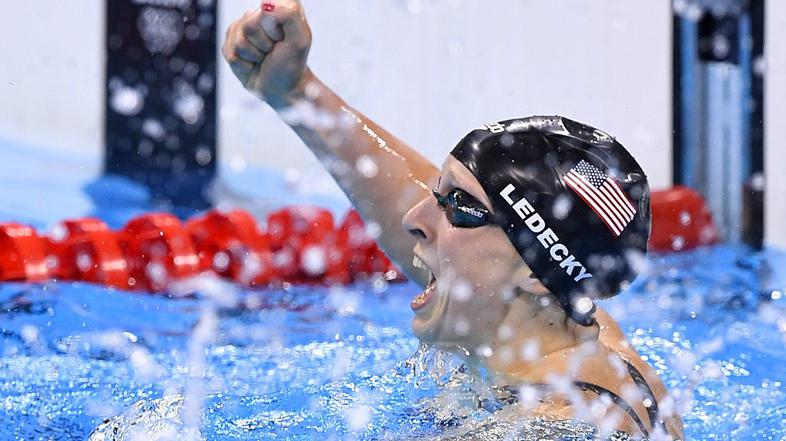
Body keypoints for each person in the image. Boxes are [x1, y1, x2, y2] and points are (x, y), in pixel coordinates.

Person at [222, 2, 685, 439]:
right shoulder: (586, 336)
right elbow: (481, 245)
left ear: (537, 271)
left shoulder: (554, 426)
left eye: (458, 207)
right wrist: (297, 91)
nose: (413, 218)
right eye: (437, 195)